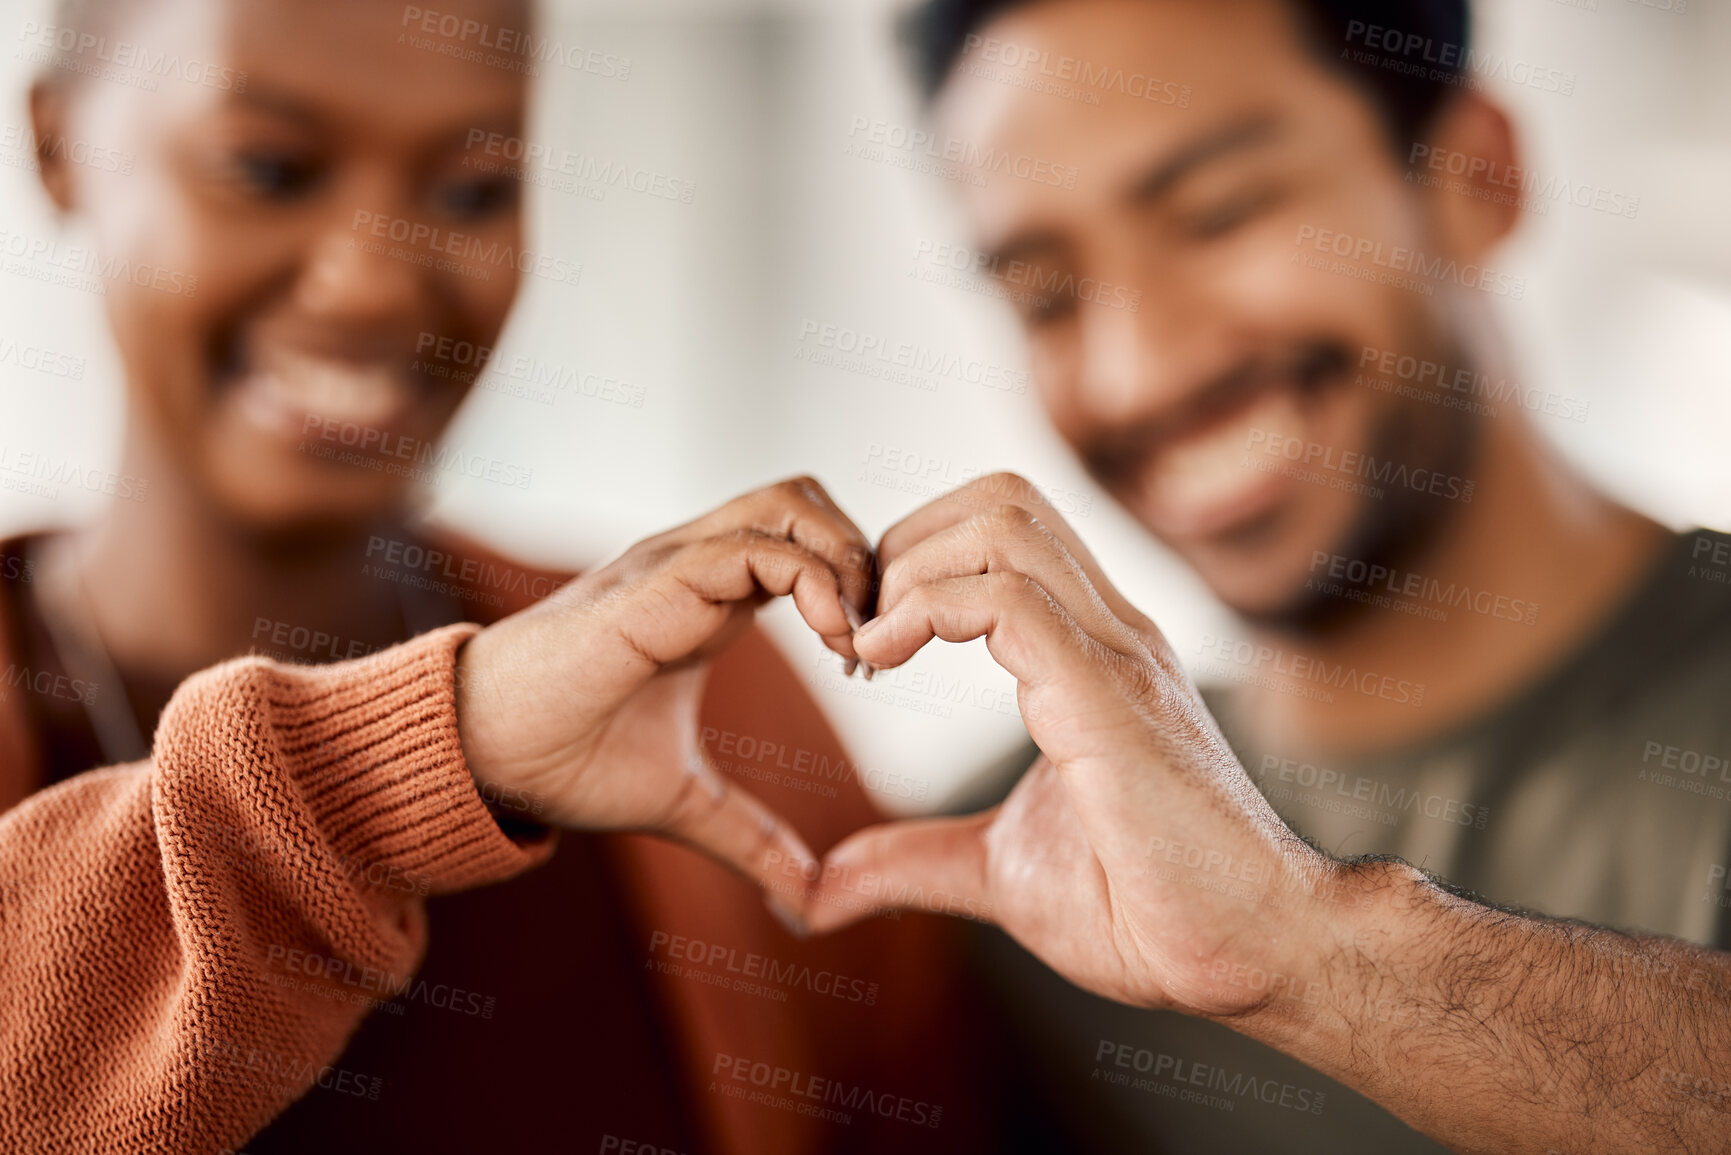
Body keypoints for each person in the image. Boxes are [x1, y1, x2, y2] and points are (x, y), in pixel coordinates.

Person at [0, 0, 1014, 1151]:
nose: (371, 286)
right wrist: (425, 757)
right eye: (271, 169)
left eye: (474, 189)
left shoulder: (707, 703)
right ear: (57, 144)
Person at [796, 0, 1731, 1151]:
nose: (1142, 372)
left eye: (1220, 213)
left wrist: (1310, 952)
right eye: (1046, 293)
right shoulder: (1004, 875)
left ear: (1475, 175)